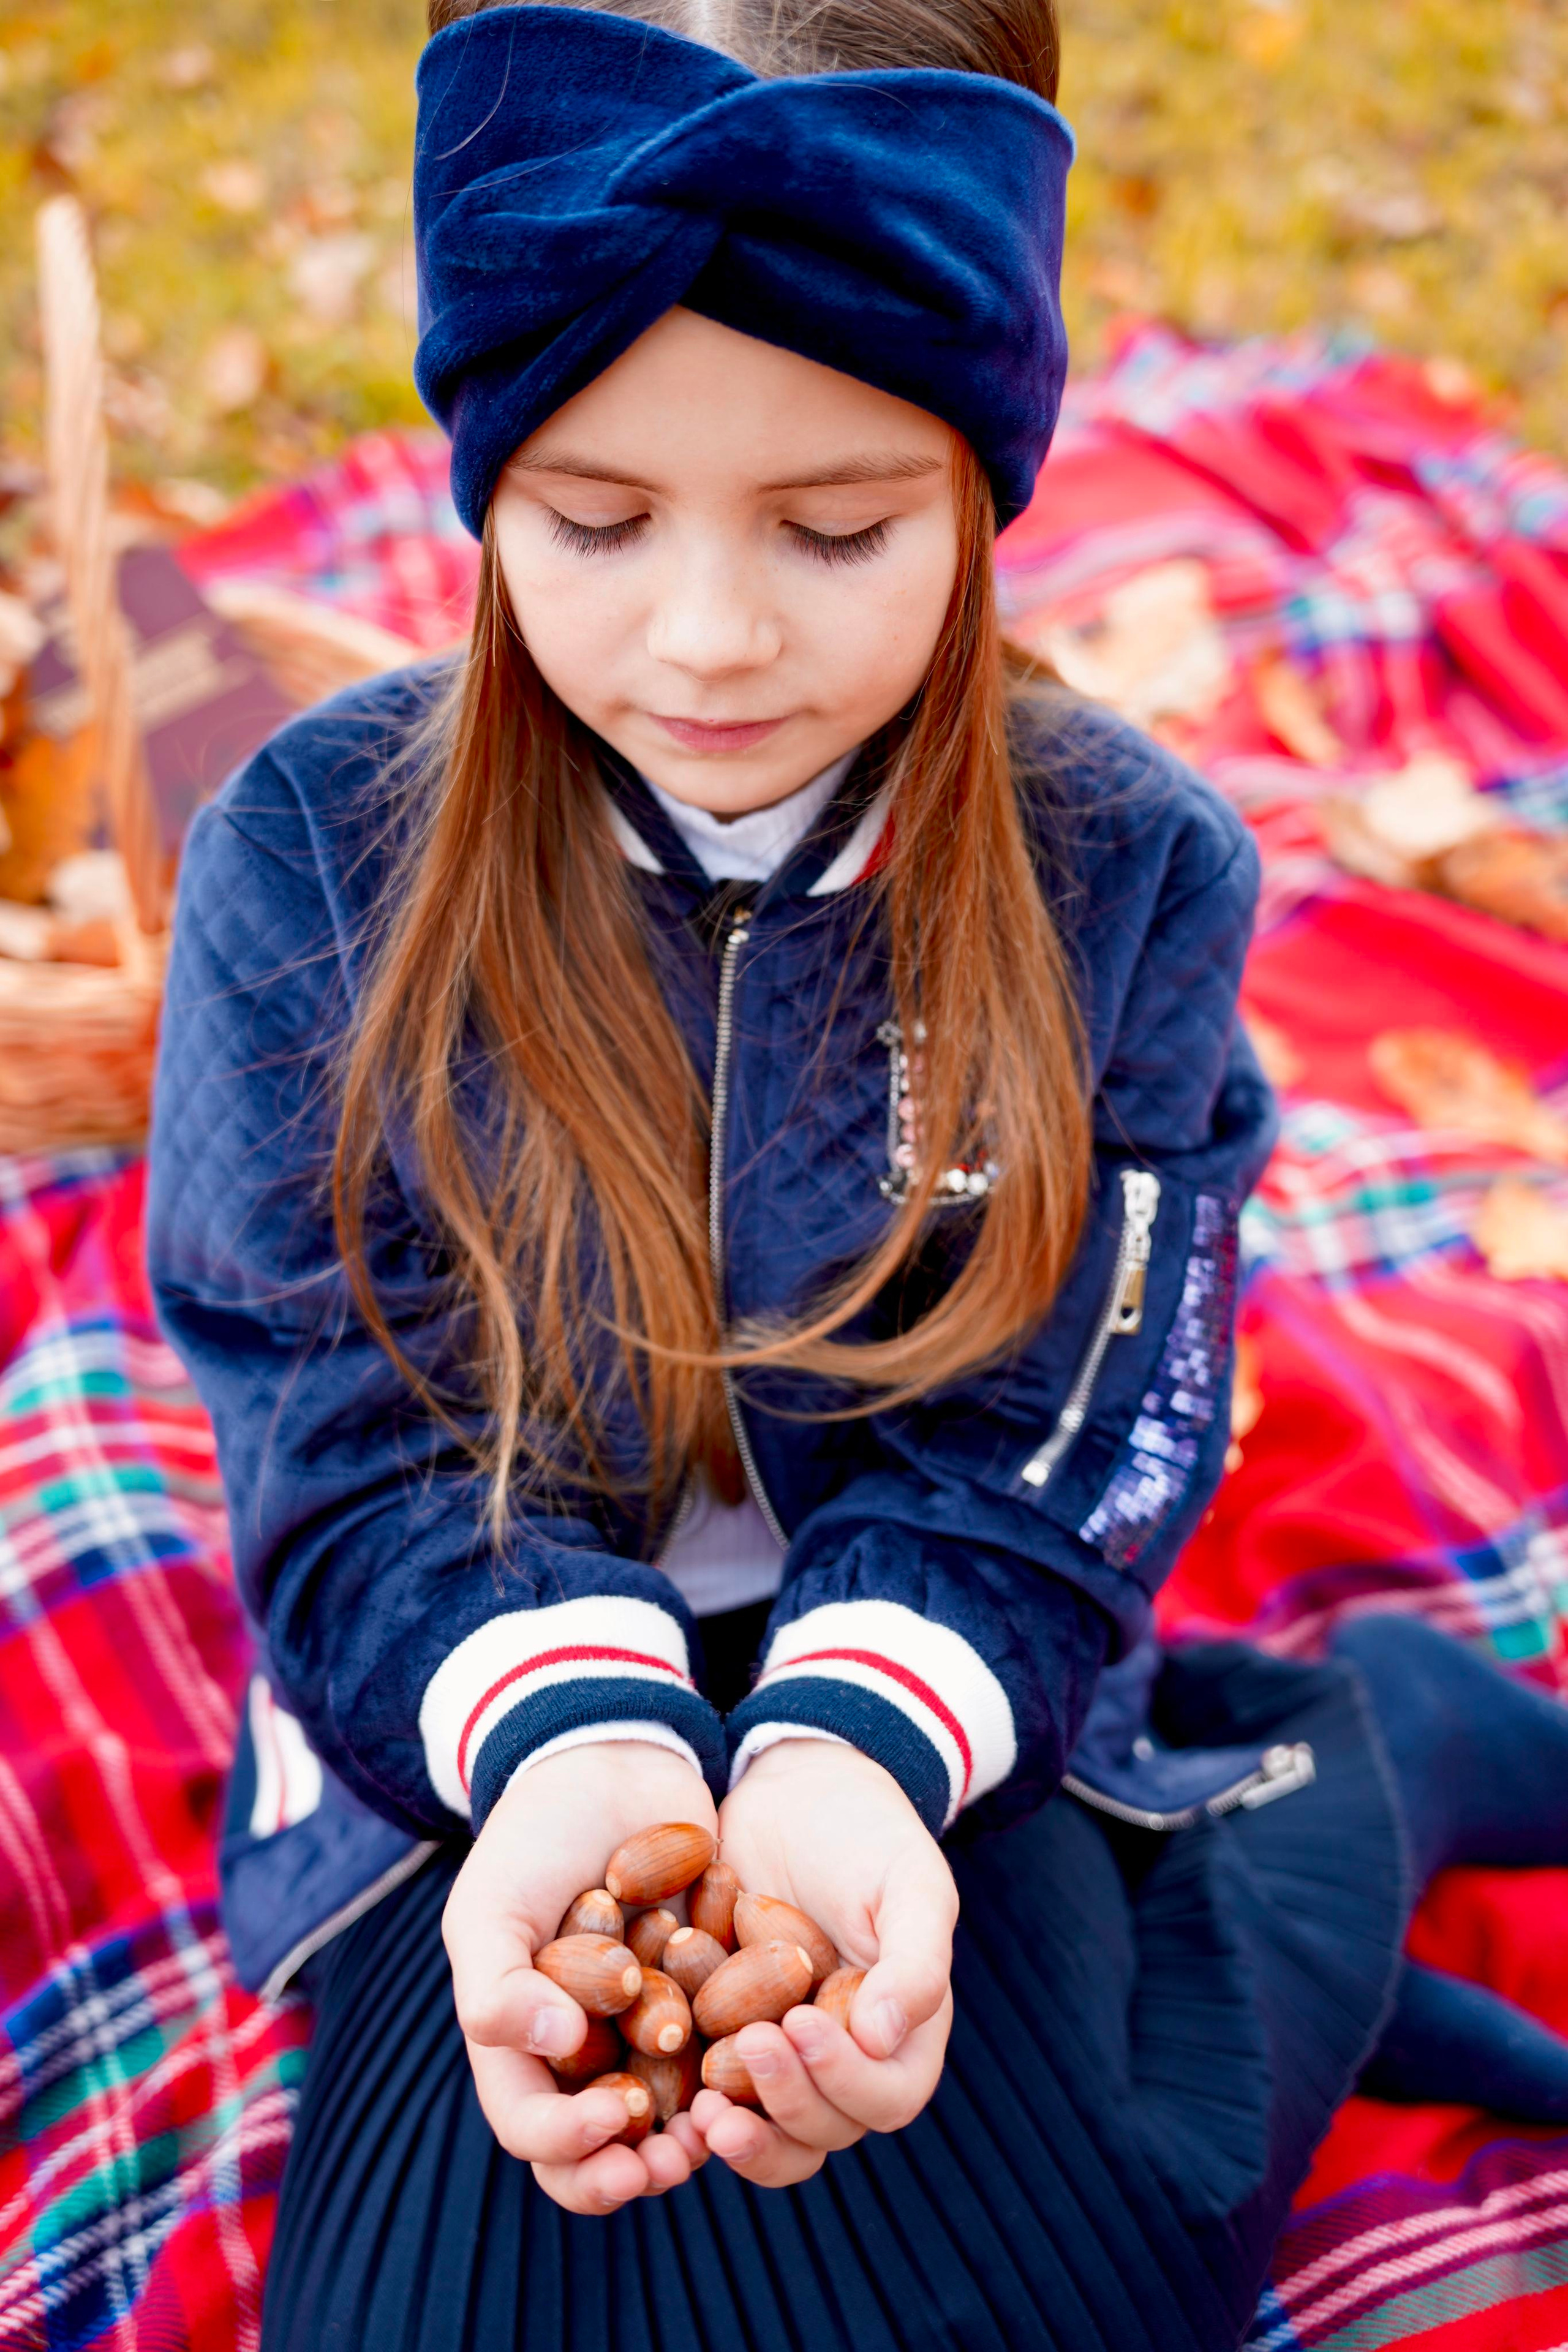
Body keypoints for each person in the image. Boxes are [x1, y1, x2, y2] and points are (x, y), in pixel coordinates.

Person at [146, 2, 1568, 2345]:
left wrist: (857, 1752)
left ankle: (1339, 1775)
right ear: (482, 480)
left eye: (835, 525)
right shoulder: (310, 856)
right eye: (594, 518)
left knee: (1060, 2278)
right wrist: (576, 1750)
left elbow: (1081, 1414)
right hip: (479, 1723)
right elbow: (330, 1421)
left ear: (988, 481)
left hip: (934, 1685)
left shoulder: (1127, 872)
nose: (709, 636)